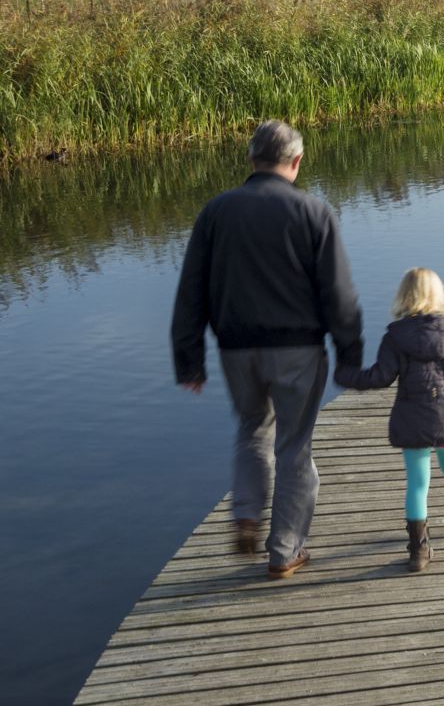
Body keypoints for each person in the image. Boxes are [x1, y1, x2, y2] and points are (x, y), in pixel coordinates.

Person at [170, 121, 363, 578]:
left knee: (252, 428)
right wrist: (349, 355)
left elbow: (191, 290)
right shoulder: (313, 211)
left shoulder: (216, 212)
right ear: (296, 161)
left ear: (250, 158)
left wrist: (189, 360)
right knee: (294, 447)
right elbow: (339, 293)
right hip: (298, 351)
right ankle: (284, 551)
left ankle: (246, 512)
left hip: (236, 350)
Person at [336, 268, 444, 572]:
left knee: (418, 483)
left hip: (411, 419)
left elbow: (380, 377)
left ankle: (419, 551)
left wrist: (346, 375)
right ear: (439, 294)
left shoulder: (395, 337)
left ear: (404, 296)